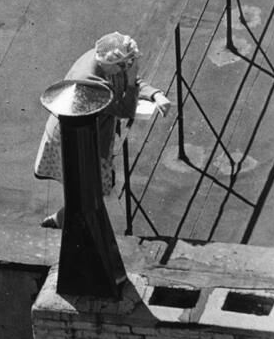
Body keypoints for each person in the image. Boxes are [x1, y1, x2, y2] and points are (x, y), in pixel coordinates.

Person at [34, 31, 171, 228]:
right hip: (76, 140)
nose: (127, 67)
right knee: (88, 190)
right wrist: (131, 83)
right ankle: (66, 222)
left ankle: (64, 219)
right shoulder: (90, 82)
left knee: (88, 190)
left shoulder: (108, 62)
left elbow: (130, 77)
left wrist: (155, 94)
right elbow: (124, 109)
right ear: (111, 62)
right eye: (124, 64)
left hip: (92, 136)